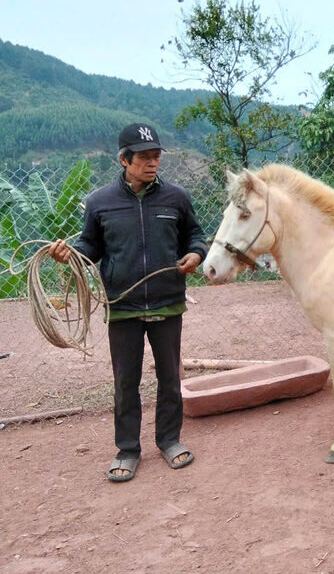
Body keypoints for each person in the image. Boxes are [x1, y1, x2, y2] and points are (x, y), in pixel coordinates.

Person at [49, 123, 207, 482]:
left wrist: (196, 255)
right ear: (124, 159)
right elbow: (90, 246)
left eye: (156, 156)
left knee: (170, 378)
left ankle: (169, 441)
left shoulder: (176, 198)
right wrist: (70, 255)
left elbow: (194, 235)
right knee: (126, 381)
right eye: (144, 158)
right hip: (122, 305)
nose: (153, 163)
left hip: (167, 301)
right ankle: (127, 449)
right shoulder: (100, 202)